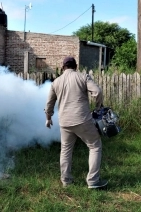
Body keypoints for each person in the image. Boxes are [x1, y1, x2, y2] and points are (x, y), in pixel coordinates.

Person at [44, 56, 108, 189]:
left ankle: (66, 181)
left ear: (63, 68)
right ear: (76, 66)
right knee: (95, 146)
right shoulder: (83, 77)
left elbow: (49, 103)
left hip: (65, 122)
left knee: (66, 150)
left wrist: (48, 118)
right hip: (82, 120)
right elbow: (97, 92)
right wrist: (98, 107)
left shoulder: (56, 82)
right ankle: (93, 181)